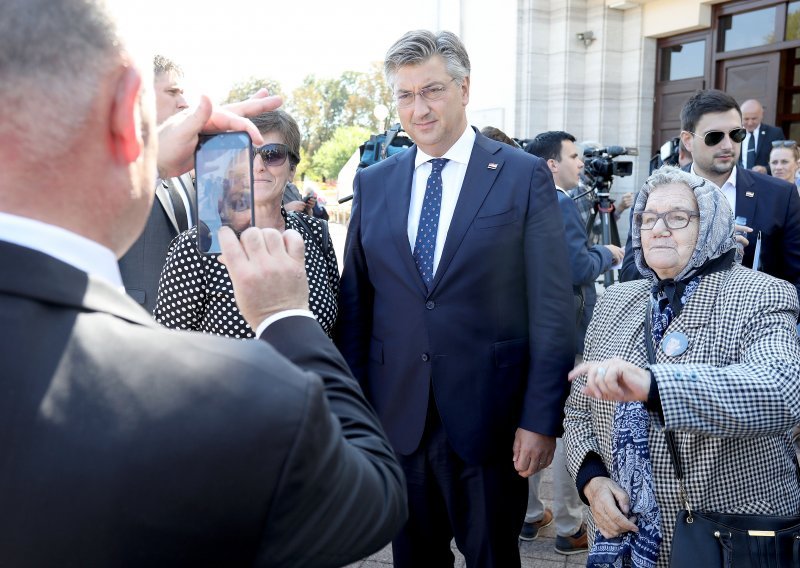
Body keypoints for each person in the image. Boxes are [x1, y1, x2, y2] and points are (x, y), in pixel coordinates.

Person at [0, 1, 406, 565]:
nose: (261, 165)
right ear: (126, 114)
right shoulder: (209, 399)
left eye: (274, 154)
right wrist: (286, 318)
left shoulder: (309, 236)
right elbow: (374, 496)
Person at [335, 30, 576, 568]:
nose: (418, 109)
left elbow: (553, 308)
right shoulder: (374, 184)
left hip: (491, 423)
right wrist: (356, 416)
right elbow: (357, 306)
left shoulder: (521, 175)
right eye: (404, 95)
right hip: (397, 420)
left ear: (464, 88)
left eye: (432, 90)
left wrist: (540, 418)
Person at [564, 165, 800, 567]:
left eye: (678, 217)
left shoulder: (761, 293)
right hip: (623, 535)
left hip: (725, 536)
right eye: (647, 218)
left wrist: (654, 385)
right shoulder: (616, 301)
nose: (658, 228)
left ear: (712, 223)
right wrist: (591, 481)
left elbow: (780, 391)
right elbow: (578, 410)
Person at [522, 131, 625, 555]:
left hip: (528, 327)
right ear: (551, 163)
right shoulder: (559, 202)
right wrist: (610, 253)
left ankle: (528, 517)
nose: (581, 163)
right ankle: (568, 524)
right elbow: (577, 266)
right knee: (565, 423)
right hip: (566, 326)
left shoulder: (521, 199)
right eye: (574, 155)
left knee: (529, 416)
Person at [154, 110, 339, 338]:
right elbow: (169, 343)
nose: (259, 165)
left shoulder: (315, 233)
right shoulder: (198, 246)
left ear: (292, 169)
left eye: (272, 154)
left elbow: (338, 333)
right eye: (246, 154)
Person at [620, 89, 800, 303]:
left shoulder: (780, 194)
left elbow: (796, 279)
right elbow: (630, 274)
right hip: (675, 328)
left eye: (736, 134)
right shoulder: (655, 194)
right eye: (714, 137)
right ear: (687, 140)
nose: (727, 145)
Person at [118, 54, 194, 313]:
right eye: (172, 92)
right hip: (131, 321)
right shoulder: (110, 166)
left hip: (188, 327)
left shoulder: (189, 168)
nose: (184, 104)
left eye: (183, 93)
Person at [739, 98, 784, 174]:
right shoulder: (734, 134)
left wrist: (766, 169)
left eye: (754, 119)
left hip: (765, 181)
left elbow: (783, 158)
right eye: (746, 119)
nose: (750, 123)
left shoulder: (775, 133)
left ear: (761, 115)